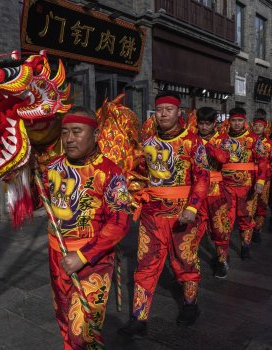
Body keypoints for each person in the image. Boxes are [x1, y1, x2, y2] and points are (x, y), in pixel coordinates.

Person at [119, 92, 209, 338]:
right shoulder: (147, 143)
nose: (164, 114)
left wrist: (192, 208)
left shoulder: (193, 142)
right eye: (160, 110)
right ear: (155, 113)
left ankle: (190, 305)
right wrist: (129, 191)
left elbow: (202, 177)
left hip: (184, 215)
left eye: (169, 109)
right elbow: (137, 173)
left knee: (185, 259)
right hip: (152, 214)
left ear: (178, 113)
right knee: (146, 264)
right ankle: (139, 318)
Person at [45, 106, 131, 349]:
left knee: (83, 330)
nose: (69, 139)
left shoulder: (110, 172)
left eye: (76, 131)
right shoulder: (52, 168)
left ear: (95, 134)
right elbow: (34, 200)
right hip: (57, 255)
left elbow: (119, 222)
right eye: (64, 132)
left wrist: (83, 256)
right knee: (64, 318)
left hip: (94, 260)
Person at [216, 108, 268, 260]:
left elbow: (263, 160)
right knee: (226, 219)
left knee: (246, 217)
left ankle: (245, 246)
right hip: (226, 186)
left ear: (244, 122)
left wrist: (260, 181)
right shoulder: (221, 139)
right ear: (229, 121)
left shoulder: (253, 139)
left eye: (240, 121)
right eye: (234, 120)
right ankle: (222, 255)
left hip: (247, 186)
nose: (237, 123)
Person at [194, 107, 232, 278]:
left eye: (207, 124)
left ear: (214, 124)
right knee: (193, 229)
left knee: (219, 228)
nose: (203, 127)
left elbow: (224, 158)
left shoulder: (222, 139)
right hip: (195, 192)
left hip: (216, 190)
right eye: (201, 123)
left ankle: (222, 260)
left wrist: (208, 147)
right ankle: (189, 265)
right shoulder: (191, 139)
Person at [251, 117, 272, 242]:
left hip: (265, 178)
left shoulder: (271, 144)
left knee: (261, 204)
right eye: (256, 125)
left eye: (260, 126)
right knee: (248, 205)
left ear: (265, 128)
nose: (258, 128)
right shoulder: (246, 141)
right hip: (248, 177)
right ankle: (247, 229)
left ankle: (257, 230)